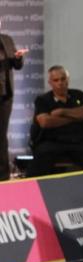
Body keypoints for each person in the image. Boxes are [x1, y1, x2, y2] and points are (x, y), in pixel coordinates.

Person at [27, 65, 83, 177]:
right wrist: (75, 117)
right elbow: (45, 122)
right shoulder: (42, 100)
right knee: (38, 163)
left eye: (63, 79)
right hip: (51, 143)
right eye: (56, 80)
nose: (60, 83)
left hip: (79, 142)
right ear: (50, 82)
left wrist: (63, 111)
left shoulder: (79, 95)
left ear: (68, 79)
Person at [0, 32, 26, 180]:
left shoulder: (7, 39)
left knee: (1, 136)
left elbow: (17, 66)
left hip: (5, 95)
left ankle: (3, 175)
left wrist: (18, 58)